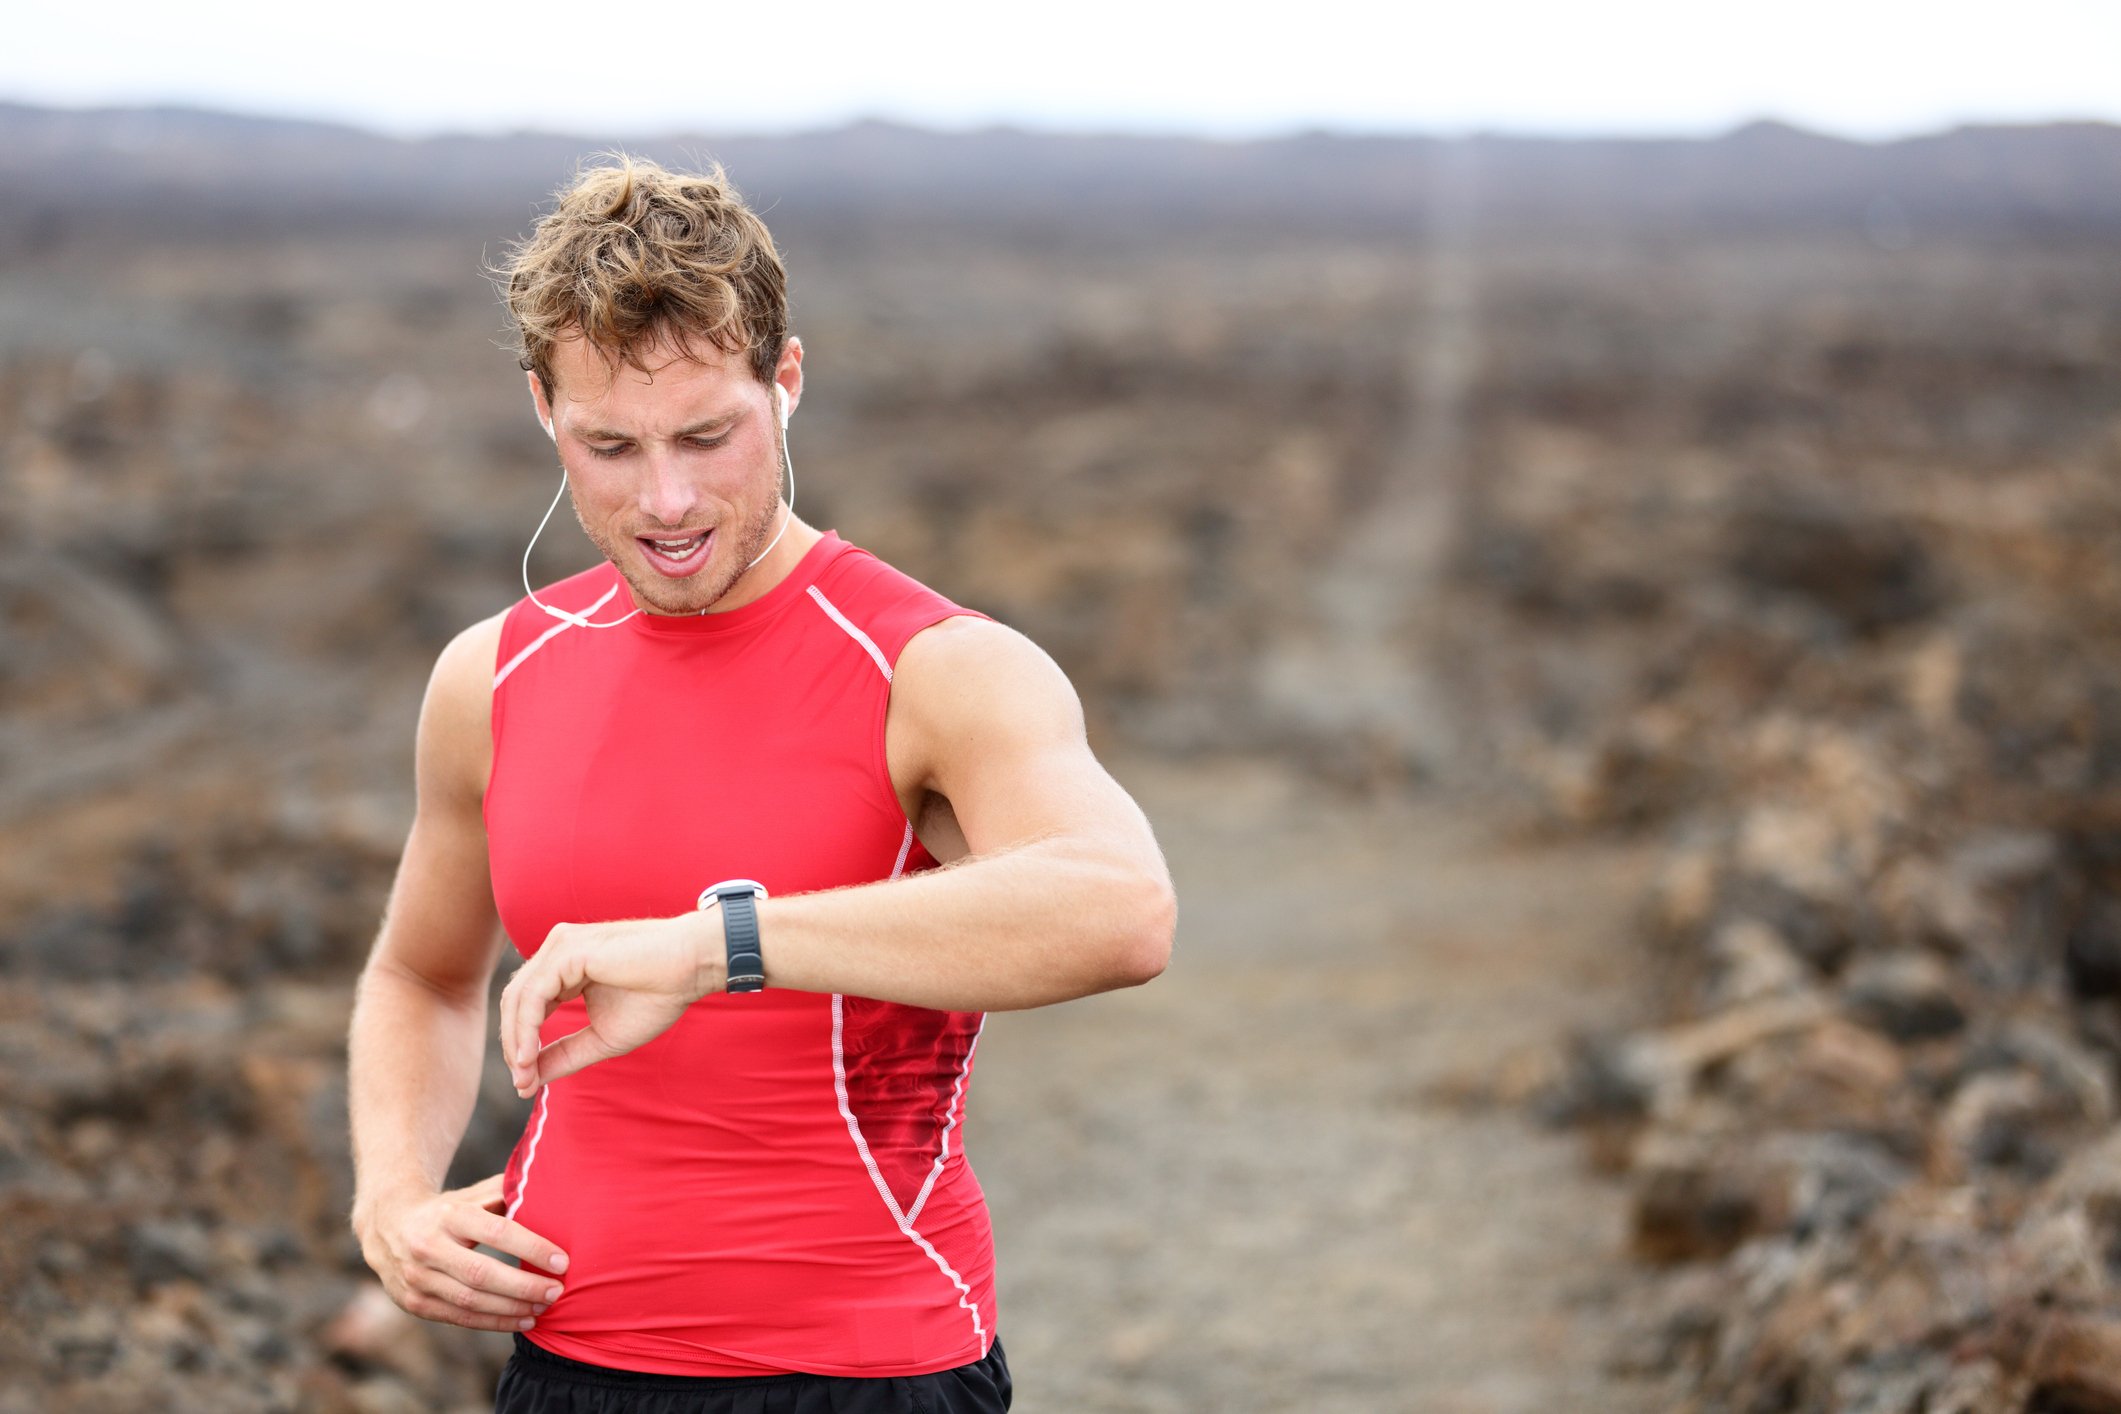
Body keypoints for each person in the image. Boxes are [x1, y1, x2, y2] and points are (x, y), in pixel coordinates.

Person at [345, 153, 1178, 1413]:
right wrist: (393, 1198)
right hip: (570, 1367)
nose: (665, 499)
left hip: (867, 1368)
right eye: (609, 446)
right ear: (541, 408)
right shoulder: (493, 676)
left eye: (707, 435)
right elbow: (421, 972)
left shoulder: (932, 667)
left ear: (785, 382)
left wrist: (714, 946)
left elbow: (1123, 910)